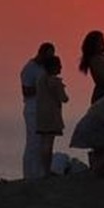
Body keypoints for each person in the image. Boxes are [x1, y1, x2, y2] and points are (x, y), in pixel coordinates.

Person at [20, 42, 55, 180]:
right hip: (33, 109)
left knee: (42, 142)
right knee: (33, 142)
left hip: (44, 109)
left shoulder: (44, 68)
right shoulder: (29, 69)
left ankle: (40, 172)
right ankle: (30, 174)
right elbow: (26, 91)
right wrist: (44, 88)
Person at [35, 55, 69, 178]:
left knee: (44, 142)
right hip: (52, 115)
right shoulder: (55, 81)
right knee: (49, 143)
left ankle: (44, 170)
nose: (61, 67)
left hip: (41, 114)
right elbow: (64, 98)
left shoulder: (40, 79)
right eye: (59, 65)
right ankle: (47, 171)